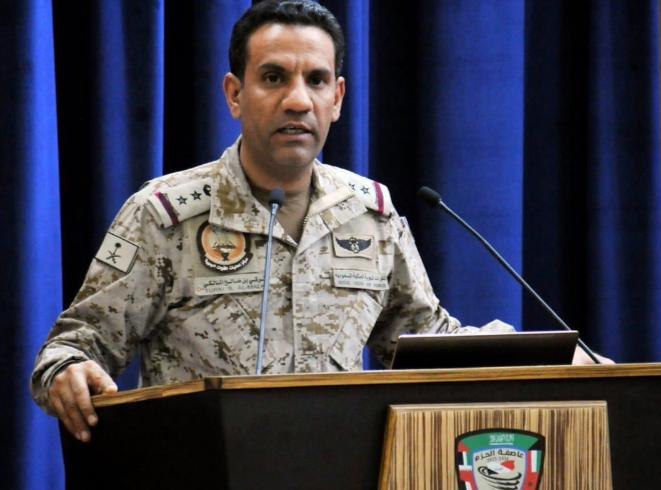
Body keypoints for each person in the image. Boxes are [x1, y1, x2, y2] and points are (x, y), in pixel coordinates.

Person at [31, 0, 609, 445]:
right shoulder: (165, 214)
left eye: (315, 80)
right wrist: (70, 371)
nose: (297, 101)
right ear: (235, 94)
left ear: (337, 97)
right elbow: (74, 345)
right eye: (273, 78)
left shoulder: (370, 214)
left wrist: (546, 359)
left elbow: (425, 344)